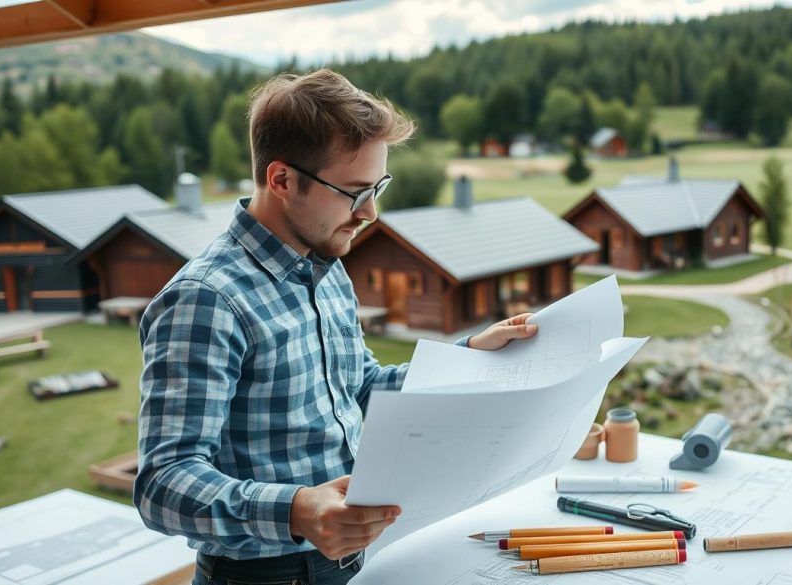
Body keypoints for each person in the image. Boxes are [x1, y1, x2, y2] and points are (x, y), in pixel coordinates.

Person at [134, 69, 538, 585]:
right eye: (353, 191)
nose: (370, 212)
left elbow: (360, 389)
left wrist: (470, 356)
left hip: (357, 561)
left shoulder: (325, 266)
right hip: (264, 576)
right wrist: (297, 510)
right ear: (281, 180)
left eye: (377, 187)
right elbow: (161, 484)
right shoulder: (207, 301)